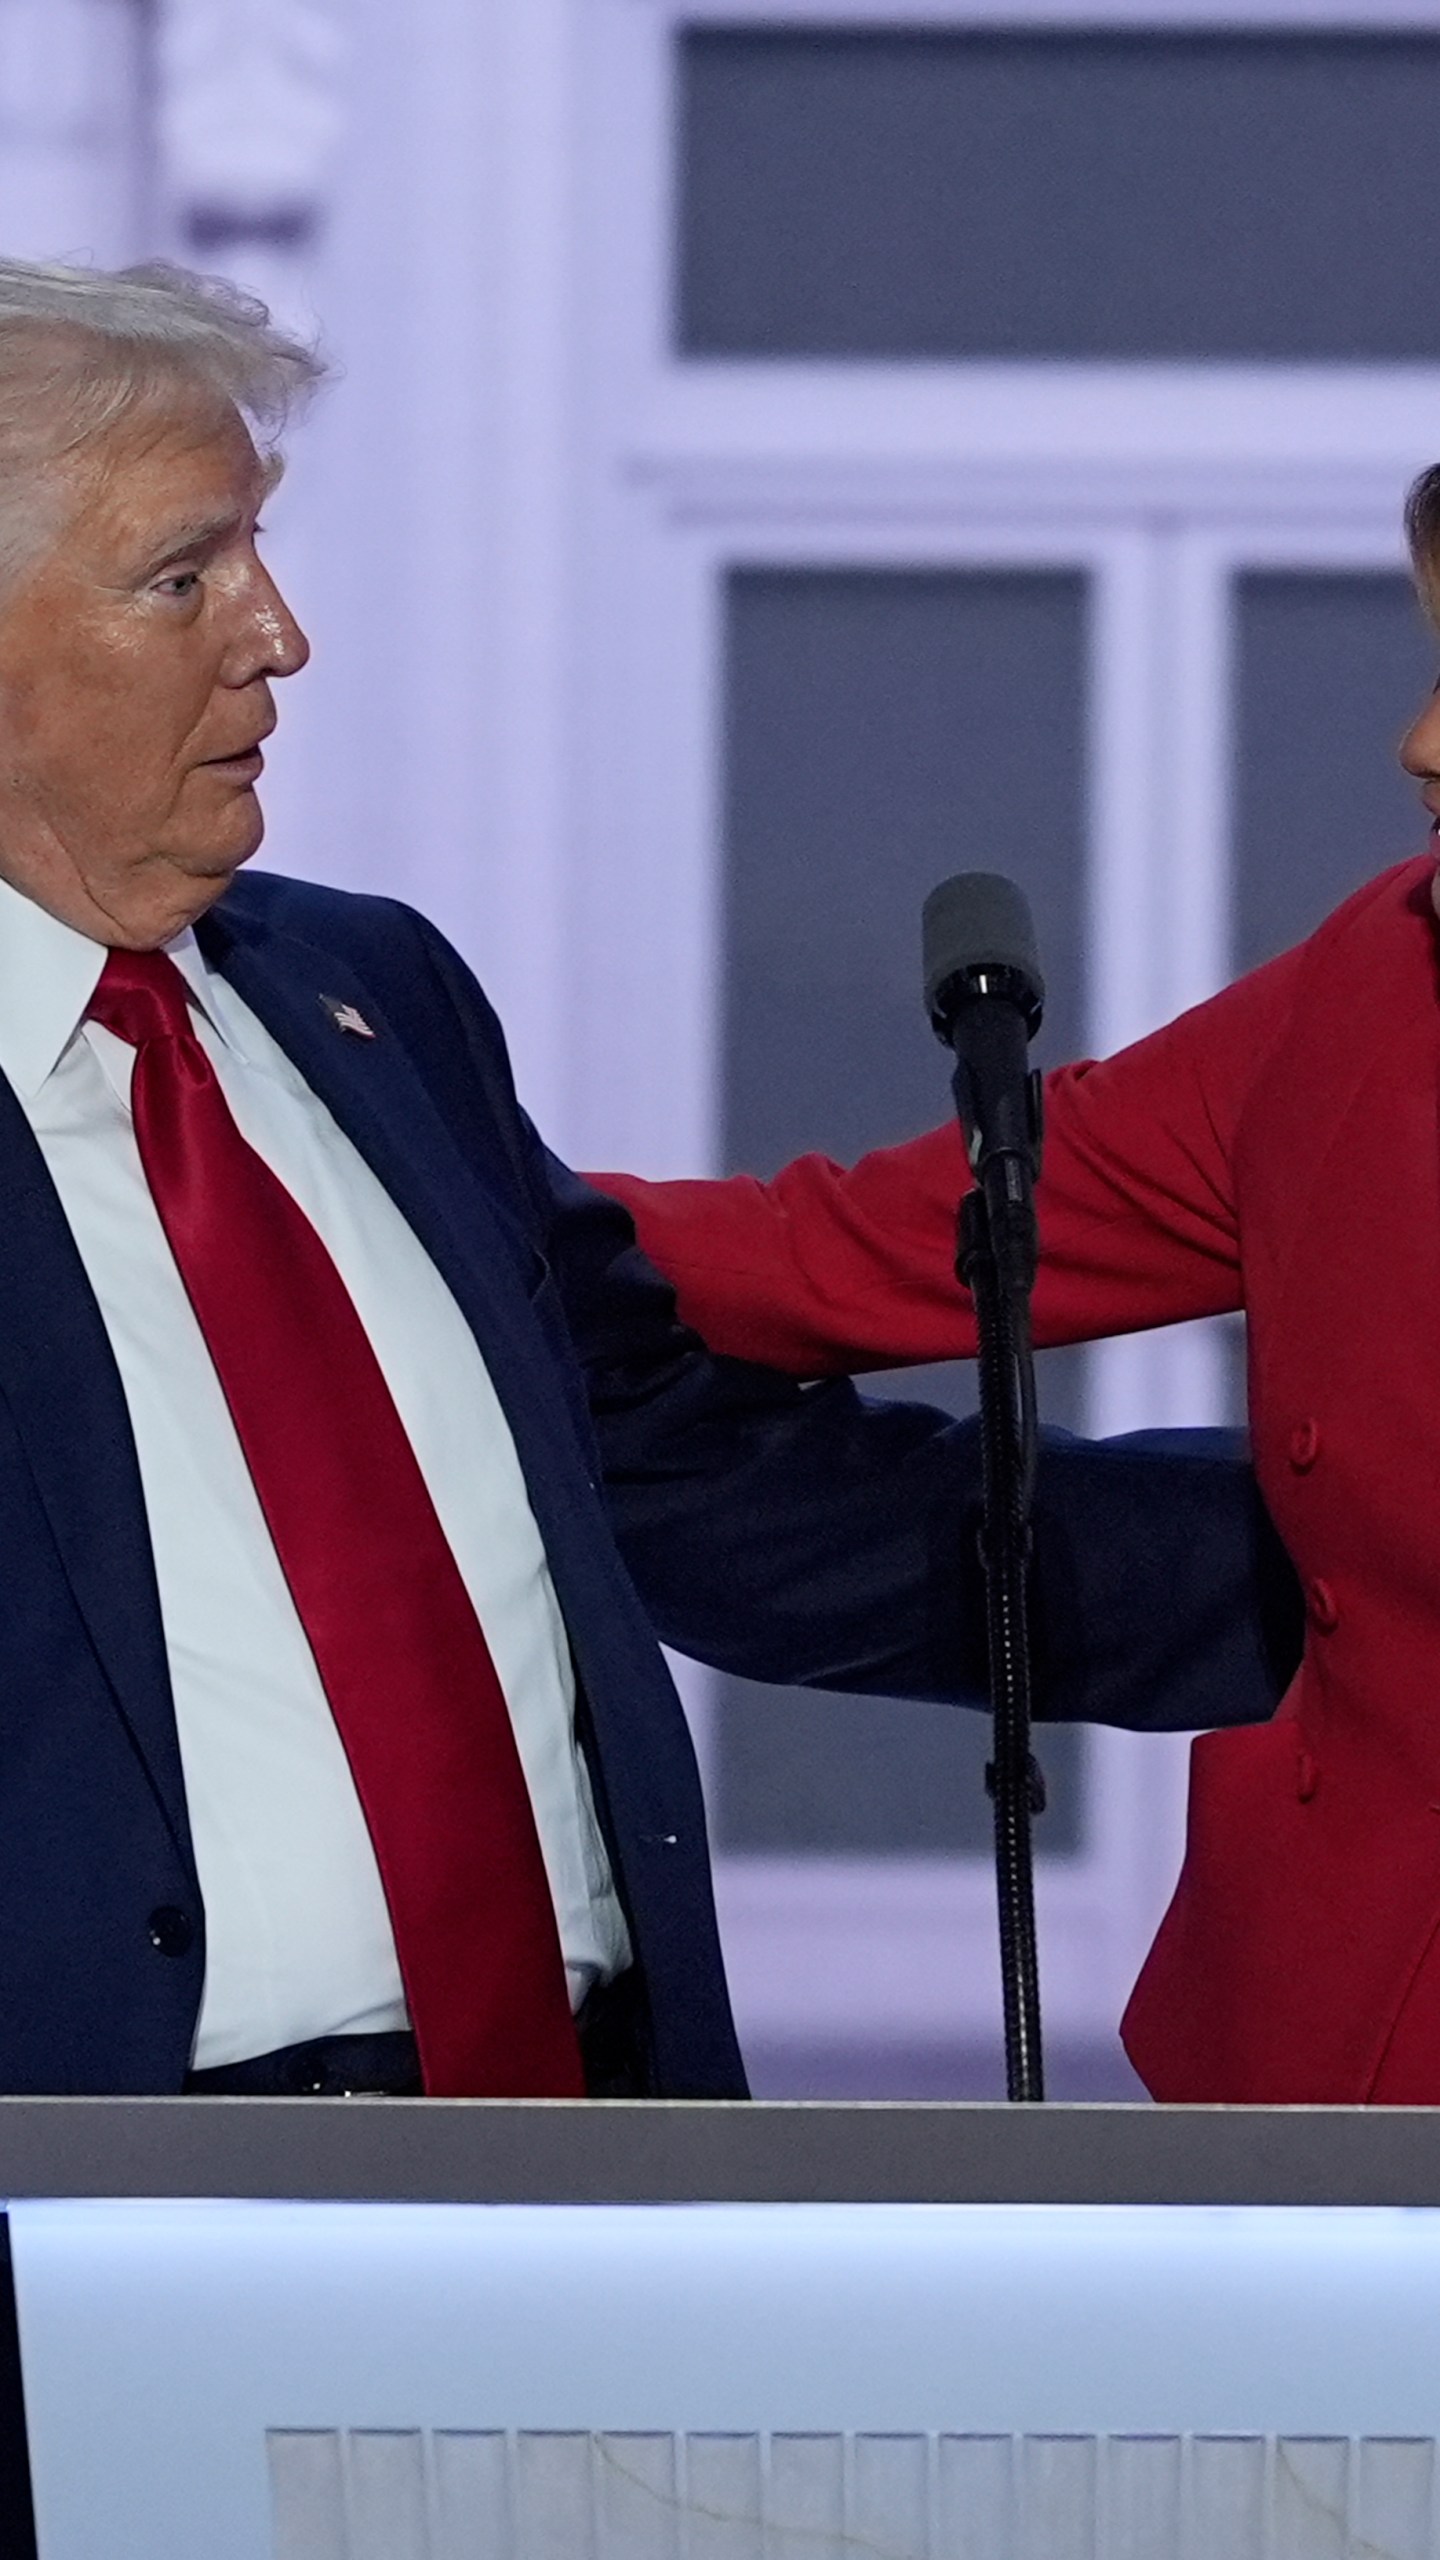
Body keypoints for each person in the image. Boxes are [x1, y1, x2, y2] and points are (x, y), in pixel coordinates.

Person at [0, 255, 1299, 2102]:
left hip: (583, 2149)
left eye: (259, 555)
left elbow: (710, 1487)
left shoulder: (374, 1000)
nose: (276, 636)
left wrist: (1358, 1560)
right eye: (184, 574)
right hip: (101, 2206)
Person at [596, 485, 1440, 2107]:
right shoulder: (1374, 987)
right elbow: (863, 1246)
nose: (1417, 744)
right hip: (1318, 2080)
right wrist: (409, 1190)